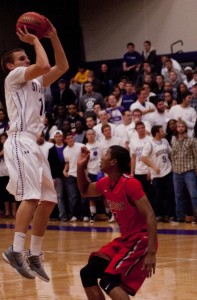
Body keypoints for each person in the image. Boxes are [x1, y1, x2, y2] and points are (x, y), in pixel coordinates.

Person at [1, 19, 69, 281]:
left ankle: (34, 253)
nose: (25, 61)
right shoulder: (13, 77)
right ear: (10, 66)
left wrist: (53, 35)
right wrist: (36, 40)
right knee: (30, 196)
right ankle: (15, 250)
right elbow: (42, 64)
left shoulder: (37, 82)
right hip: (19, 140)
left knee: (49, 200)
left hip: (34, 142)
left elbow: (61, 66)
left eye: (26, 57)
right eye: (21, 58)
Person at [77, 145, 157, 299]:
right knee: (87, 273)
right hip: (125, 240)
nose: (101, 157)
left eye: (106, 154)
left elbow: (150, 216)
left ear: (113, 162)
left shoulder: (130, 184)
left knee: (108, 281)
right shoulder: (106, 183)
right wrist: (80, 167)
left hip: (141, 240)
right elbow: (85, 191)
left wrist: (151, 252)